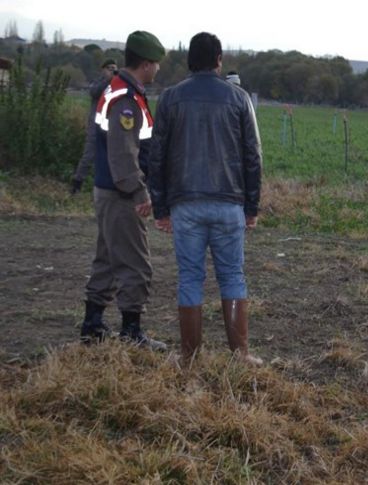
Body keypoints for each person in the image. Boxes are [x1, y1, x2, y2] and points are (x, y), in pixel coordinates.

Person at [148, 32, 263, 364]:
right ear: (219, 60)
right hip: (229, 205)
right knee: (232, 276)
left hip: (185, 205)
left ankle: (189, 356)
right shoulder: (239, 98)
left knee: (190, 277)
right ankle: (240, 355)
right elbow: (252, 156)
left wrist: (161, 207)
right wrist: (251, 207)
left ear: (188, 60)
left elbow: (157, 156)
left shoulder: (169, 99)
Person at [79, 31, 167, 351]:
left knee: (106, 259)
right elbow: (123, 153)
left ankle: (93, 325)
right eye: (156, 64)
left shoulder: (117, 90)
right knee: (135, 263)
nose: (157, 69)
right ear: (145, 64)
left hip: (107, 190)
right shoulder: (126, 100)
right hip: (121, 195)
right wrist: (139, 192)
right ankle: (131, 332)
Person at [70, 58, 118, 195]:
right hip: (95, 124)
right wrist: (108, 80)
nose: (112, 71)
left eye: (114, 68)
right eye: (109, 68)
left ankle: (107, 186)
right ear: (102, 70)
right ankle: (76, 185)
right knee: (88, 155)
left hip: (110, 125)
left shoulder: (116, 84)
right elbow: (94, 92)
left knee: (111, 156)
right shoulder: (99, 82)